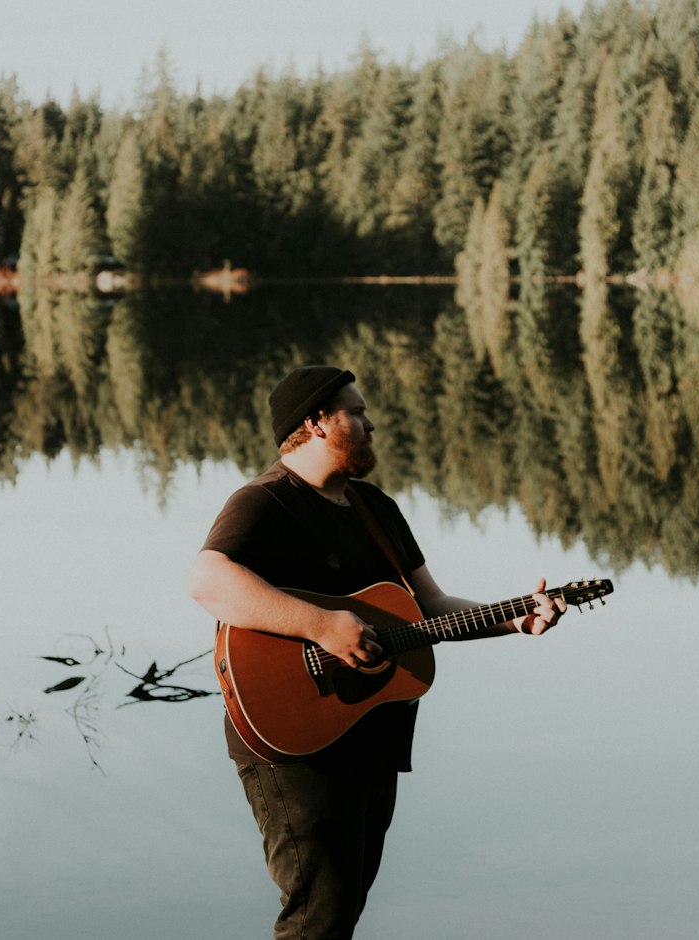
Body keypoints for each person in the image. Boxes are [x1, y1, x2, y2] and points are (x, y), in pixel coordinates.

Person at [189, 365, 566, 940]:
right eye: (357, 413)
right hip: (291, 737)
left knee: (342, 910)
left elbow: (430, 605)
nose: (370, 424)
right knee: (318, 914)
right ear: (316, 422)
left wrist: (509, 618)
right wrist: (322, 626)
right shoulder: (265, 502)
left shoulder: (373, 508)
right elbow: (208, 581)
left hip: (367, 729)